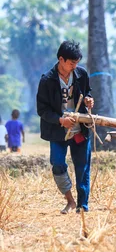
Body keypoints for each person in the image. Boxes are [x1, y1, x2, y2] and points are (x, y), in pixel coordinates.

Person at [36, 40, 94, 214]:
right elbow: (42, 109)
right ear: (61, 60)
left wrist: (88, 100)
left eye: (76, 63)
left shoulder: (81, 74)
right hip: (58, 131)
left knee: (82, 167)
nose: (74, 66)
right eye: (71, 63)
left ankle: (82, 206)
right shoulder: (47, 80)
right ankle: (70, 200)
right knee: (58, 164)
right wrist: (61, 120)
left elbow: (88, 92)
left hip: (80, 130)